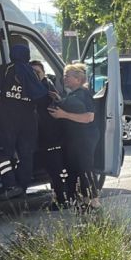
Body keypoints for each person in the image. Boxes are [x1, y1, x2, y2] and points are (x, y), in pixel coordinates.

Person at [0, 44, 55, 199]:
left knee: (4, 153)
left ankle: (10, 184)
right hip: (28, 122)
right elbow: (42, 97)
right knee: (26, 156)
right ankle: (21, 189)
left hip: (6, 121)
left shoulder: (4, 70)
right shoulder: (32, 73)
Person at [49, 63, 99, 209]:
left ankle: (93, 200)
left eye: (67, 76)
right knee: (74, 168)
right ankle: (80, 199)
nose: (64, 78)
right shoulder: (73, 93)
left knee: (85, 168)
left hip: (85, 137)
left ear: (78, 79)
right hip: (74, 138)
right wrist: (59, 100)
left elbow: (88, 117)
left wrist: (63, 115)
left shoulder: (84, 94)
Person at [30, 60, 70, 209]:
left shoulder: (46, 87)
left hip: (51, 136)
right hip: (40, 136)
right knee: (51, 168)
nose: (34, 75)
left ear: (43, 73)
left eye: (37, 72)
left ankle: (61, 200)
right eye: (31, 72)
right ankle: (59, 198)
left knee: (55, 169)